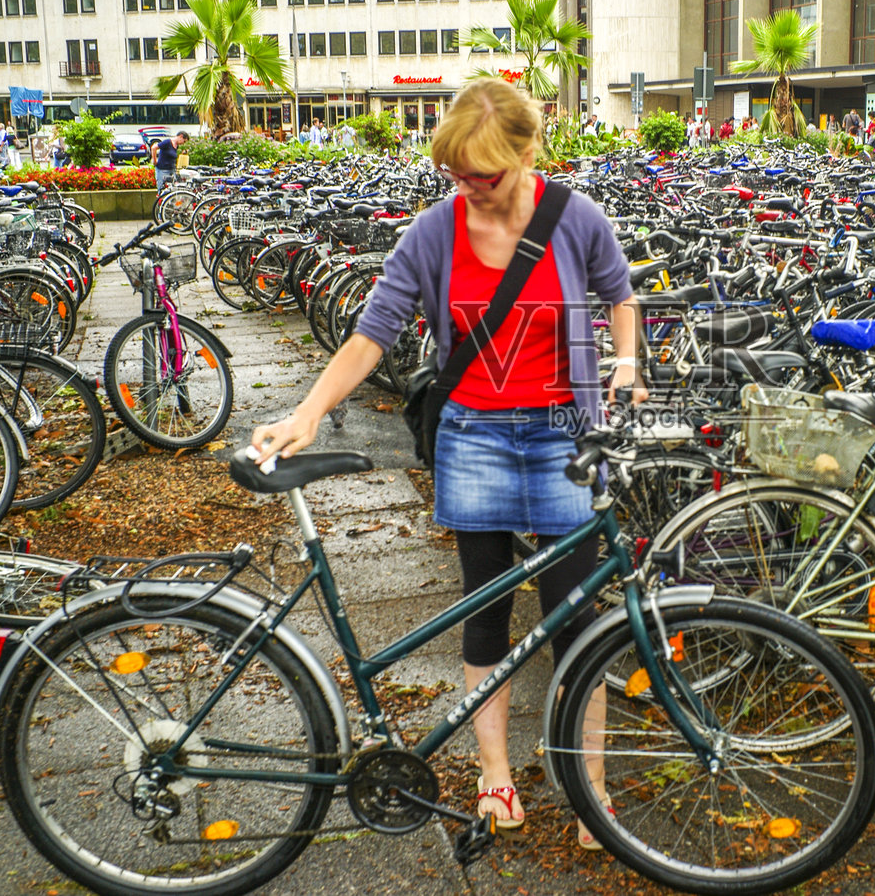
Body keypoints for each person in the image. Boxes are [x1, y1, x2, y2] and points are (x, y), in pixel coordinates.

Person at [250, 77, 641, 851]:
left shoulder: (575, 219)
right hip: (476, 435)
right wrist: (308, 411)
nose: (469, 188)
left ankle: (591, 787)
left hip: (568, 433)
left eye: (484, 175)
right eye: (456, 175)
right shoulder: (434, 233)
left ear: (529, 152)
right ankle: (494, 775)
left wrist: (627, 360)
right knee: (485, 615)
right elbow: (372, 332)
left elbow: (620, 293)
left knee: (577, 621)